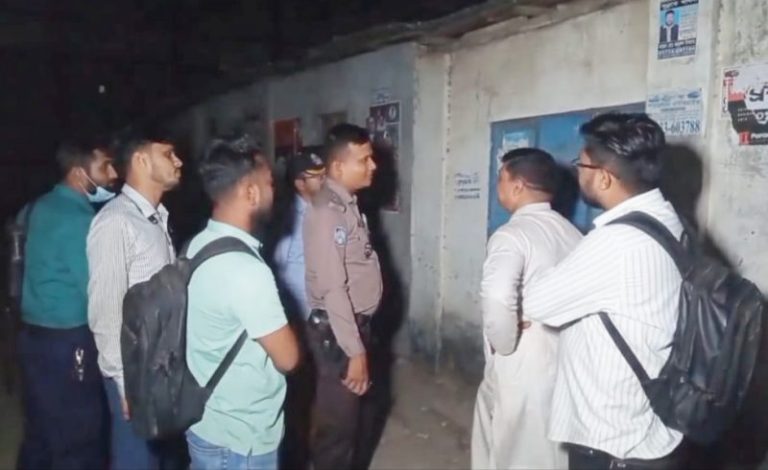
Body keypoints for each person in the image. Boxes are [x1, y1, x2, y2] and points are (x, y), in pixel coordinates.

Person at [522, 113, 687, 470]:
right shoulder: (669, 222)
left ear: (604, 177)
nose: (577, 172)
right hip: (656, 421)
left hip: (615, 439)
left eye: (581, 164)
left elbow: (537, 301)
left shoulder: (616, 241)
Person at [184, 138, 300, 470]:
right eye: (269, 183)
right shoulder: (246, 271)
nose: (274, 191)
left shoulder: (198, 244)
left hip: (206, 421)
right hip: (240, 441)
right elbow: (288, 358)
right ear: (251, 192)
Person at [471, 148, 581, 470]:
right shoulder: (573, 233)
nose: (498, 186)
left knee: (513, 448)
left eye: (501, 179)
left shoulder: (512, 235)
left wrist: (504, 342)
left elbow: (496, 296)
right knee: (549, 450)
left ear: (517, 185)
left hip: (523, 355)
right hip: (566, 355)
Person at [16, 138, 117, 469]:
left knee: (40, 432)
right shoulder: (80, 220)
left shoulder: (33, 208)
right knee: (79, 439)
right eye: (104, 166)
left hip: (31, 338)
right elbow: (96, 293)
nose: (113, 174)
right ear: (78, 173)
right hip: (70, 343)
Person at [87, 129, 183, 470]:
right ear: (141, 160)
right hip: (135, 372)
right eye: (168, 154)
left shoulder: (156, 217)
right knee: (137, 460)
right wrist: (124, 382)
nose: (178, 161)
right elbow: (106, 310)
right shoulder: (116, 222)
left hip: (163, 367)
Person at [303, 123, 382, 470]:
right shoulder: (328, 212)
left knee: (355, 424)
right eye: (364, 160)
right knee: (337, 433)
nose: (373, 166)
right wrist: (355, 350)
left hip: (352, 327)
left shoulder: (347, 205)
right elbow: (334, 288)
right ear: (338, 167)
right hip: (338, 334)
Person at [273, 150, 327, 320]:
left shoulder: (323, 211)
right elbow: (281, 266)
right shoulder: (290, 218)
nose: (324, 181)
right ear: (300, 184)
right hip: (304, 311)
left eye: (324, 175)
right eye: (317, 177)